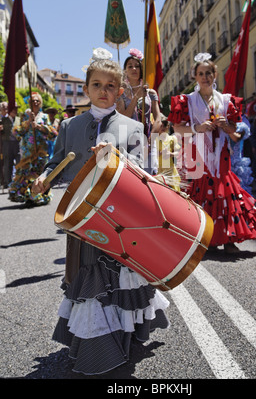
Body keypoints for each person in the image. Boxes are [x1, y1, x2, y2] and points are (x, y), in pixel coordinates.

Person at [32, 47, 169, 376]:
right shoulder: (69, 127)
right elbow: (55, 163)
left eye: (110, 86)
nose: (103, 91)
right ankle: (98, 342)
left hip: (119, 219)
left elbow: (143, 171)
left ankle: (124, 334)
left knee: (119, 277)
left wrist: (117, 159)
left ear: (120, 90)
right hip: (81, 217)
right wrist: (42, 179)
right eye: (96, 85)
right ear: (86, 88)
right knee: (90, 277)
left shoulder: (132, 127)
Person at [168, 52, 256, 253]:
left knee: (225, 193)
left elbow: (236, 136)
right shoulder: (186, 101)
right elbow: (176, 129)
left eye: (209, 73)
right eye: (201, 73)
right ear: (195, 77)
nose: (205, 77)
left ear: (215, 75)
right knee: (200, 193)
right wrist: (198, 128)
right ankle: (206, 238)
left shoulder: (226, 101)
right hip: (197, 156)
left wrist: (228, 126)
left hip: (221, 156)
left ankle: (229, 239)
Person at [8, 92, 58, 206]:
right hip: (27, 151)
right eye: (33, 101)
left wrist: (40, 127)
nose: (35, 102)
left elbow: (52, 133)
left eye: (37, 101)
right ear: (29, 103)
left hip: (41, 150)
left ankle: (38, 195)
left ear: (40, 103)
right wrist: (29, 122)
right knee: (26, 172)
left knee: (39, 173)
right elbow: (16, 132)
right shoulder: (24, 116)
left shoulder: (44, 117)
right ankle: (26, 195)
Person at [116, 48, 161, 173]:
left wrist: (152, 135)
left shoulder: (151, 93)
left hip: (148, 140)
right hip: (128, 142)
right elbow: (124, 116)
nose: (134, 69)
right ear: (125, 70)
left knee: (150, 174)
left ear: (142, 70)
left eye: (137, 66)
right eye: (130, 66)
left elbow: (158, 118)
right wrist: (136, 96)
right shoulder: (120, 94)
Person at [155, 119, 181, 191]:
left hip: (170, 171)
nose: (163, 128)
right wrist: (159, 153)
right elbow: (150, 153)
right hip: (158, 171)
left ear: (168, 126)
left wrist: (171, 154)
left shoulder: (172, 139)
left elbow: (178, 153)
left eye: (165, 125)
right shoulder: (154, 138)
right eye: (161, 125)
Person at [229, 121, 254, 194]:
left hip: (236, 161)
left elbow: (236, 138)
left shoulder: (242, 125)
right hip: (222, 160)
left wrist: (225, 127)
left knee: (238, 188)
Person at [0, 102, 21, 188]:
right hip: (7, 143)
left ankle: (19, 181)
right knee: (7, 163)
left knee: (19, 162)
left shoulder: (19, 119)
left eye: (16, 109)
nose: (15, 110)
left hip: (17, 143)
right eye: (14, 109)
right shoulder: (4, 120)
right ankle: (7, 182)